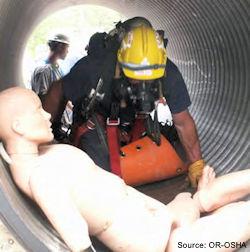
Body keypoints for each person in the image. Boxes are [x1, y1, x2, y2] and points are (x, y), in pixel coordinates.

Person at [0, 87, 250, 252]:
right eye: (37, 110)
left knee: (194, 198)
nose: (47, 114)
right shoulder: (39, 174)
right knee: (238, 219)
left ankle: (206, 199)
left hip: (162, 217)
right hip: (166, 244)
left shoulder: (46, 154)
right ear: (18, 126)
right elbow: (72, 227)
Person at [42, 18, 203, 187]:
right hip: (96, 121)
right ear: (121, 60)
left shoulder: (168, 72)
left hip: (133, 121)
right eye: (136, 78)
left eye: (150, 80)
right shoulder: (95, 66)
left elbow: (183, 122)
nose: (143, 85)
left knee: (158, 166)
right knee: (101, 181)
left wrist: (196, 164)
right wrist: (47, 133)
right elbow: (58, 90)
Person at [31, 33, 73, 140]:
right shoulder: (44, 70)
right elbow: (42, 99)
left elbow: (61, 95)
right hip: (49, 125)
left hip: (57, 123)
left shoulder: (57, 69)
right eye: (67, 47)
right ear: (59, 46)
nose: (68, 51)